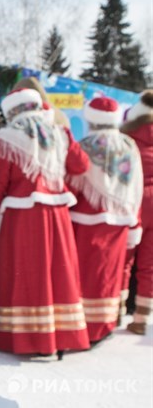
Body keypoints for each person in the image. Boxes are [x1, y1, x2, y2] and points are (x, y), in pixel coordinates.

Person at [0, 88, 91, 357]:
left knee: (24, 274)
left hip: (23, 217)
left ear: (12, 111)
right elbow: (80, 166)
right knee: (57, 274)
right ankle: (60, 334)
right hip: (57, 217)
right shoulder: (59, 134)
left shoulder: (6, 138)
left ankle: (19, 336)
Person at [66, 97, 143, 344]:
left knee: (84, 275)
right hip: (119, 221)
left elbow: (73, 182)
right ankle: (104, 324)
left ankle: (81, 324)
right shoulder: (128, 145)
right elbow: (136, 187)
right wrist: (135, 221)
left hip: (85, 220)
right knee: (108, 276)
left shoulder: (85, 145)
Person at [120, 90, 153, 335]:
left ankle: (116, 310)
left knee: (124, 260)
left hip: (132, 202)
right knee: (149, 265)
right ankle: (141, 319)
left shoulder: (126, 136)